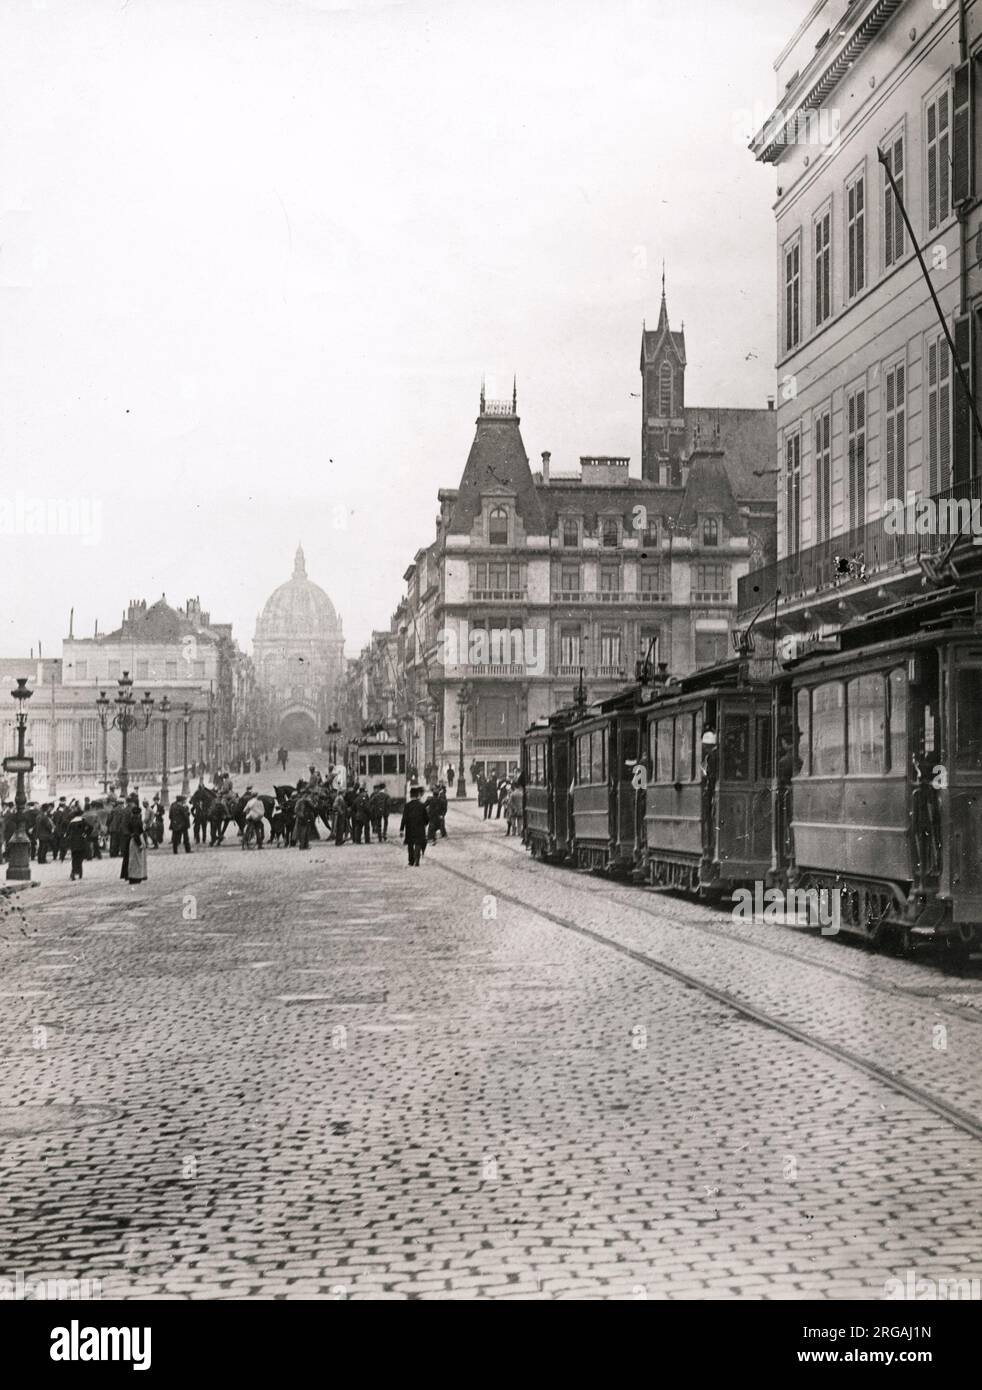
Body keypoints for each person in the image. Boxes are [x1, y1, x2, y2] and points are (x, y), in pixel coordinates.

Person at [120, 793, 147, 884]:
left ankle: (128, 875)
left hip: (127, 836)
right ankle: (135, 876)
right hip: (134, 838)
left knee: (129, 858)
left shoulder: (125, 811)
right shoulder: (135, 818)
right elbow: (137, 831)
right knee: (136, 859)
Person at [400, 785, 429, 867]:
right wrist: (425, 824)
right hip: (420, 828)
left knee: (410, 844)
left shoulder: (407, 806)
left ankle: (411, 861)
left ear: (410, 795)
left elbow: (404, 818)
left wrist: (401, 829)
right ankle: (417, 859)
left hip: (409, 828)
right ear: (417, 795)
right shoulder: (422, 805)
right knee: (418, 844)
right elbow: (427, 818)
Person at [66, 803, 92, 881]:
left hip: (73, 842)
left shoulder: (71, 823)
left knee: (74, 858)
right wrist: (85, 834)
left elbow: (67, 833)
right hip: (81, 841)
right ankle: (80, 872)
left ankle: (73, 872)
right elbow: (90, 827)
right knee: (80, 858)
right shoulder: (83, 821)